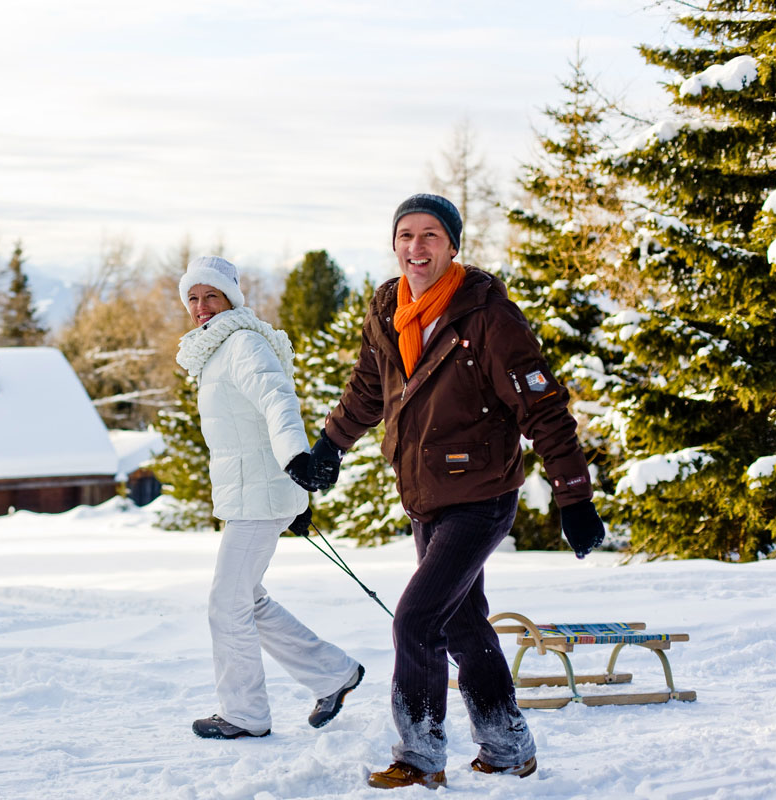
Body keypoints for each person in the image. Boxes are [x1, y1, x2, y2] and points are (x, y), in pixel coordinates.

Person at [304, 194, 606, 789]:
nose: (417, 248)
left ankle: (419, 755)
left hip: (483, 495)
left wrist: (574, 495)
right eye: (406, 236)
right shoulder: (390, 306)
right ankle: (506, 745)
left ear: (453, 245)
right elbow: (370, 386)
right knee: (464, 627)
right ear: (394, 245)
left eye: (431, 236)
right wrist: (329, 446)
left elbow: (543, 409)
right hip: (424, 493)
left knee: (416, 620)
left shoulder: (488, 317)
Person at [175, 254, 364, 740]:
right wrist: (292, 497)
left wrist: (297, 464)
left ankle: (245, 713)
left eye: (210, 295)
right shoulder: (217, 349)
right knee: (247, 598)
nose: (200, 306)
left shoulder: (241, 342)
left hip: (259, 494)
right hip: (254, 493)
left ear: (231, 298)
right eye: (193, 297)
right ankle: (332, 674)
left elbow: (276, 399)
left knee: (227, 602)